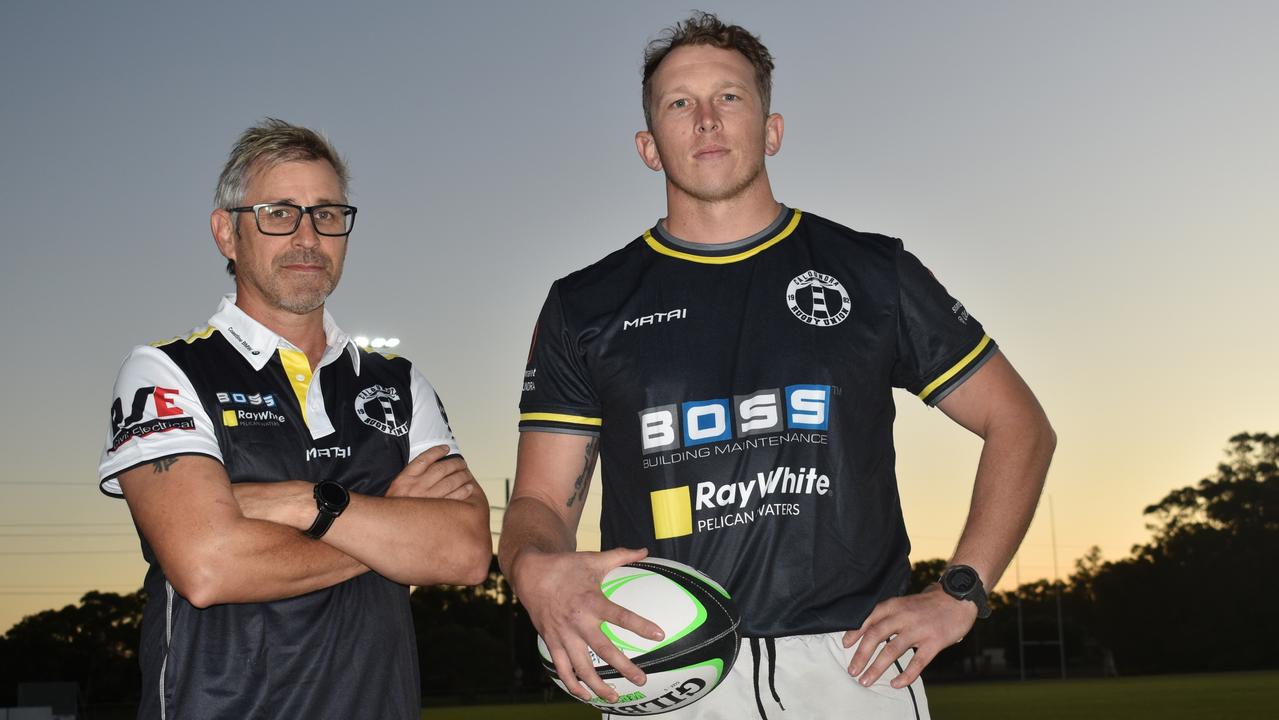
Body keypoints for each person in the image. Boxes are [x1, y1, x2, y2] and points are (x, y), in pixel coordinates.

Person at [499, 13, 1055, 719]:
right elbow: (542, 502)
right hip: (661, 670)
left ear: (771, 130)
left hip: (853, 666)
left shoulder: (871, 272)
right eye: (679, 103)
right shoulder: (585, 305)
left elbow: (1019, 425)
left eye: (728, 97)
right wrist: (531, 571)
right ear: (647, 145)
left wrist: (960, 593)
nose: (705, 120)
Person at [98, 118, 491, 720]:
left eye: (327, 214)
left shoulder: (396, 382)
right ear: (226, 233)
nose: (308, 236)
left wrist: (305, 503)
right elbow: (207, 567)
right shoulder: (165, 373)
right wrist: (389, 523)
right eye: (279, 213)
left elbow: (464, 552)